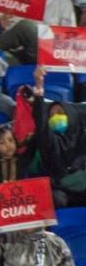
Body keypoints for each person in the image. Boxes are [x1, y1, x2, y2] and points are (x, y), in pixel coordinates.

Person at [31, 66, 86, 208]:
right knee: (56, 198)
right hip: (63, 191)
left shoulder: (82, 136)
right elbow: (41, 123)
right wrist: (39, 86)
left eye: (60, 113)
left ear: (71, 116)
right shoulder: (50, 142)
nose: (56, 117)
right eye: (52, 115)